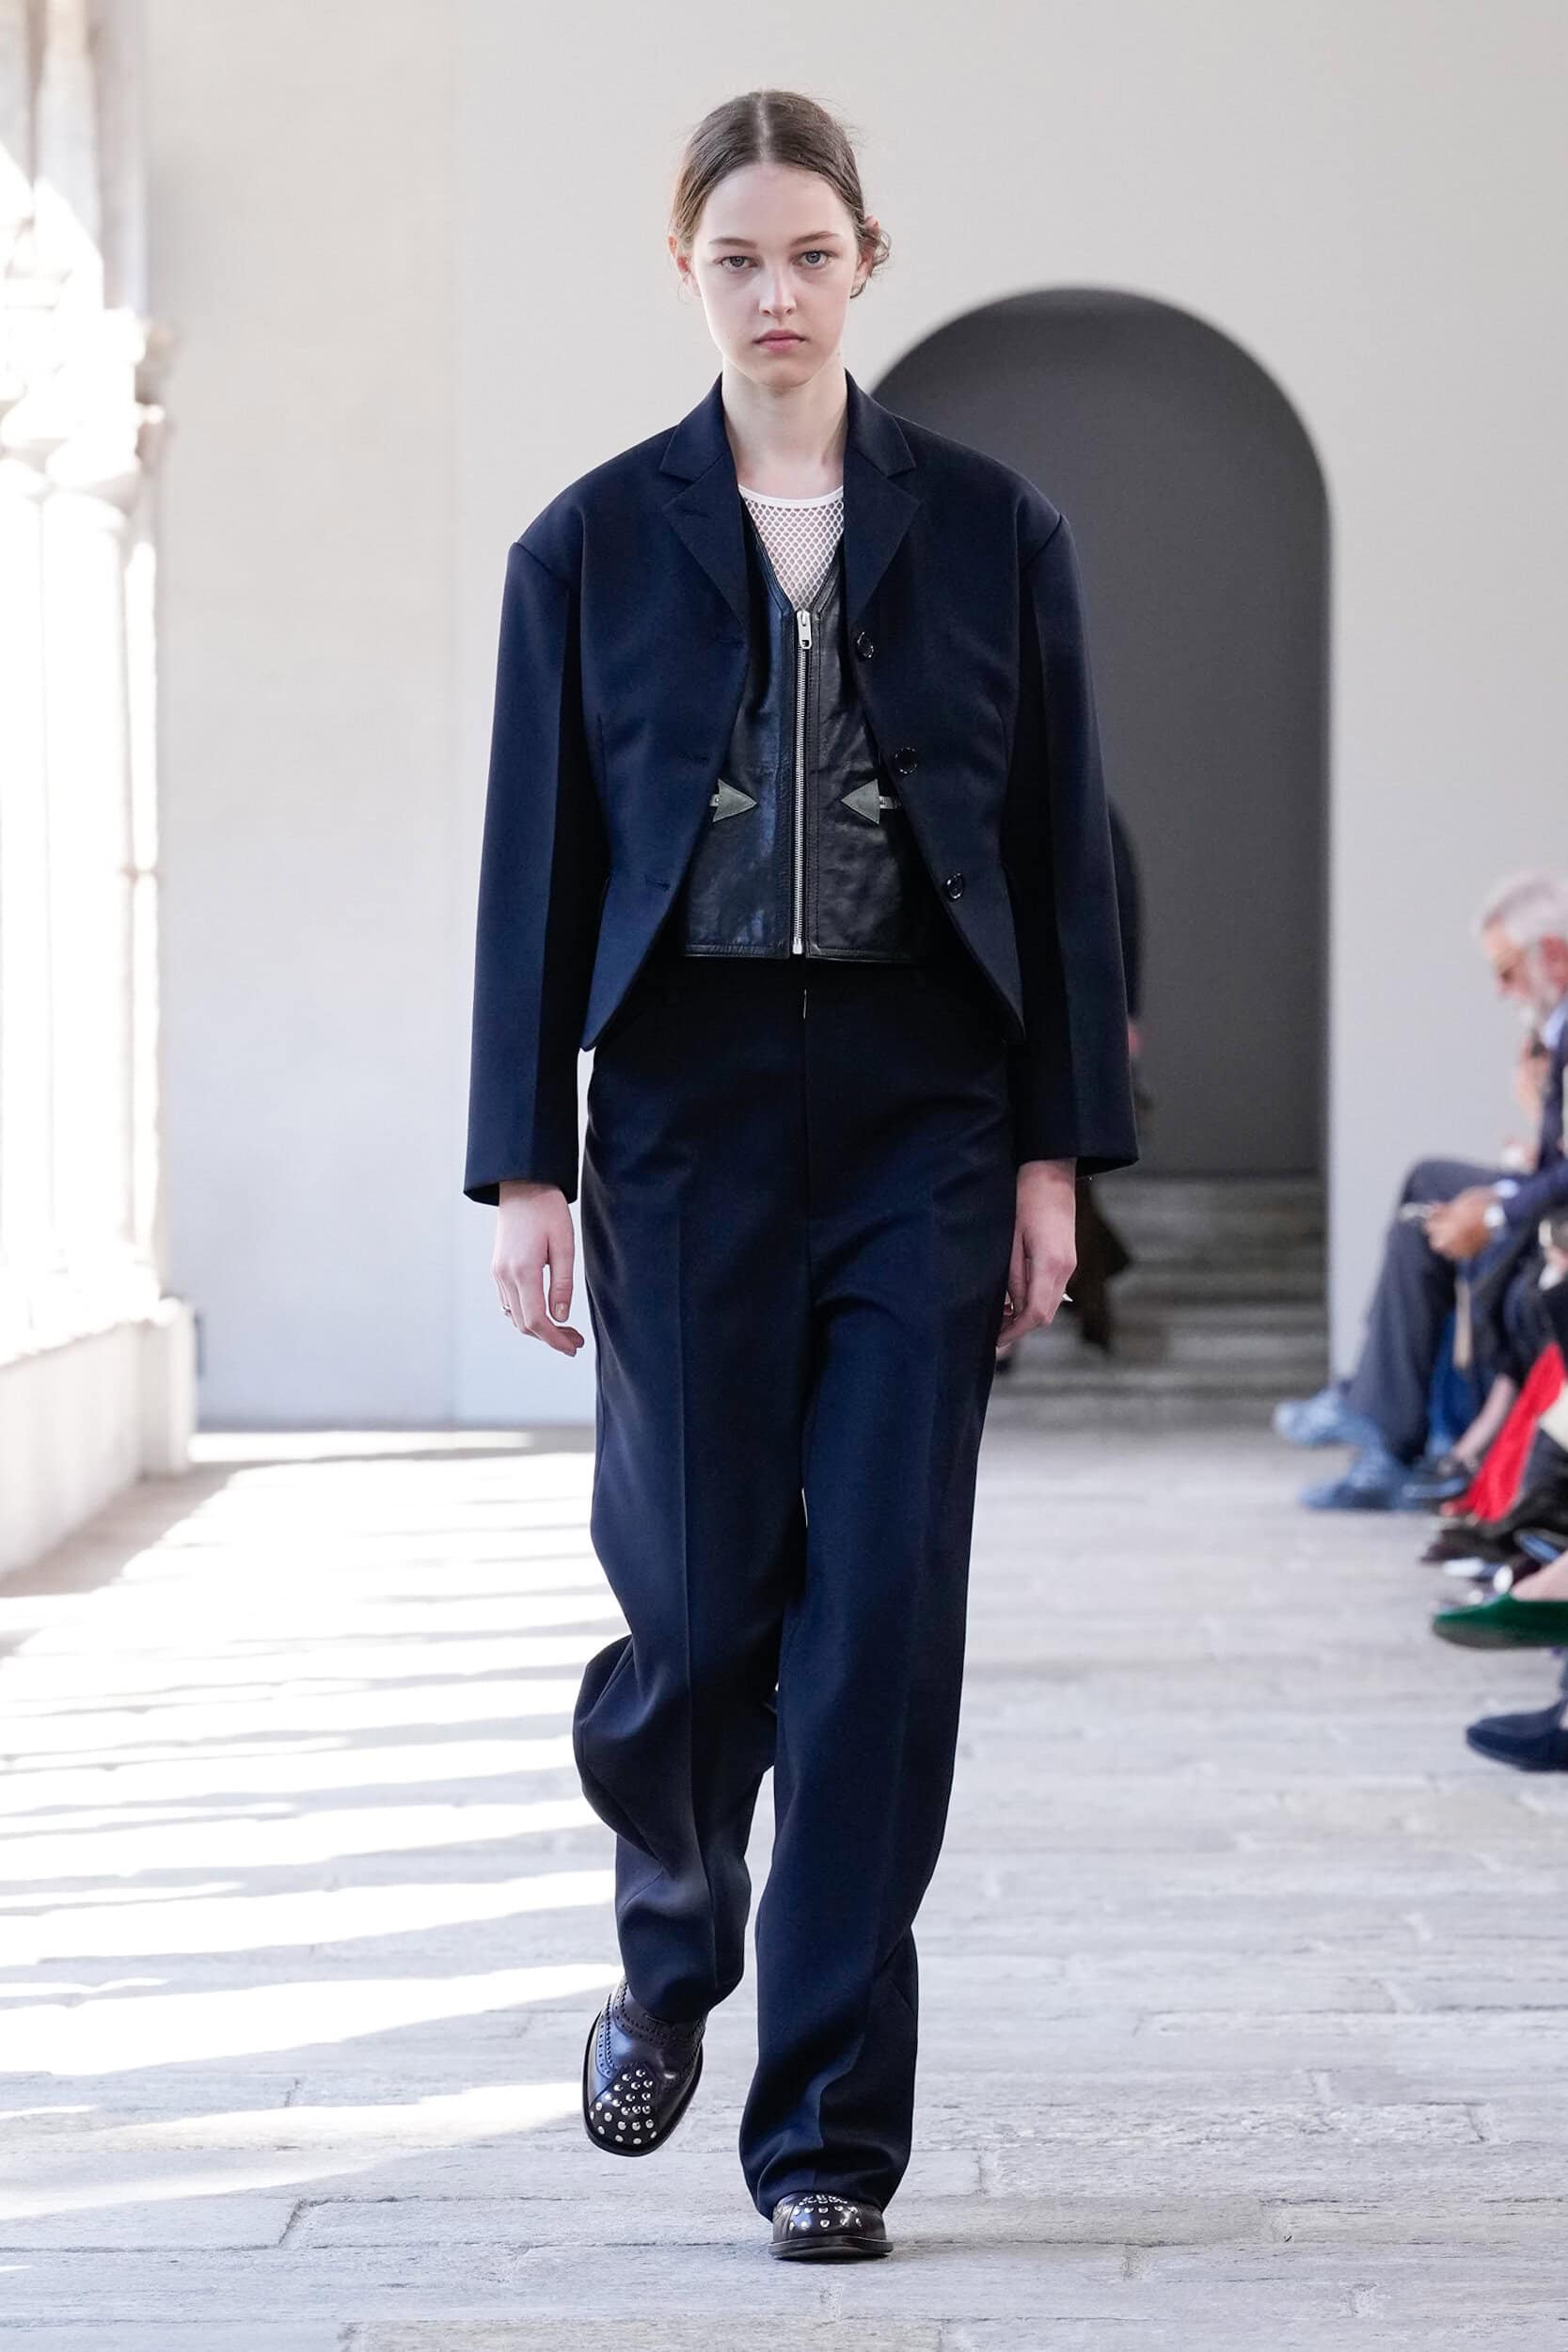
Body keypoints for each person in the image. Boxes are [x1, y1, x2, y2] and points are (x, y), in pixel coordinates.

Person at [463, 87, 1137, 2262]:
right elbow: (534, 868)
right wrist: (523, 1167)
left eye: (810, 255)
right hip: (678, 1115)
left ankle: (827, 2128)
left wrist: (1053, 1156)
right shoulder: (584, 545)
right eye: (737, 257)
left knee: (880, 1629)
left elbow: (1055, 861)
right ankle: (673, 1953)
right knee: (691, 1604)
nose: (775, 294)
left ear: (866, 263)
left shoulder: (995, 530)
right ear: (686, 269)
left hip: (927, 1113)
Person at [1274, 871, 1568, 1511]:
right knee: (1427, 1190)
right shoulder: (1553, 1031)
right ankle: (1374, 1411)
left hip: (1554, 1215)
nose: (1501, 990)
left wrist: (1496, 1212)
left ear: (1552, 954)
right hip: (1547, 1196)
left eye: (1507, 970)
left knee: (1432, 1211)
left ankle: (1380, 1423)